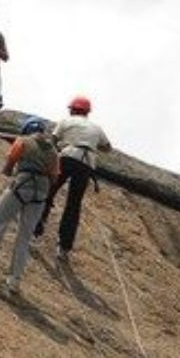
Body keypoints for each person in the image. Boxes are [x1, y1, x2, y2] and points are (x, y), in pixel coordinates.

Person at [0, 116, 60, 294]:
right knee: (24, 236)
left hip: (21, 185)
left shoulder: (22, 141)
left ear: (26, 129)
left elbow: (8, 166)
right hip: (41, 193)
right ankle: (14, 280)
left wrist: (12, 172)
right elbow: (54, 177)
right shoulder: (53, 151)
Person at [35, 96, 112, 261]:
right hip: (86, 164)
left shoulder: (65, 121)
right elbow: (107, 148)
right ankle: (64, 247)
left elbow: (52, 140)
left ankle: (36, 225)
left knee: (50, 190)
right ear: (87, 112)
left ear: (72, 110)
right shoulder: (96, 128)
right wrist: (91, 142)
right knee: (73, 204)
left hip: (68, 156)